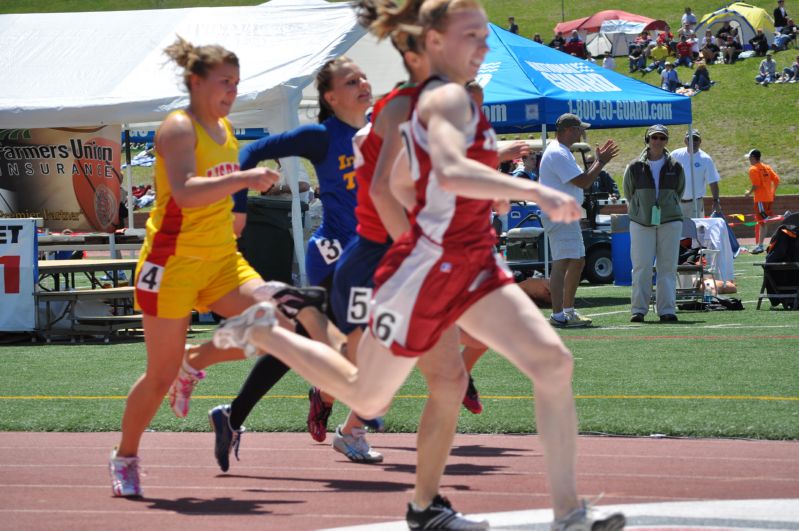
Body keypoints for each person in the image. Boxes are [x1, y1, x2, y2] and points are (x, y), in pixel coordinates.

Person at [211, 1, 627, 529]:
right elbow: (444, 172)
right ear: (432, 44)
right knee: (368, 393)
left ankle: (556, 512)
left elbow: (395, 183)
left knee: (544, 364)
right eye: (473, 35)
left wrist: (477, 197)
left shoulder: (426, 103)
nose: (484, 45)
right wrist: (524, 190)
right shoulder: (435, 100)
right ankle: (279, 333)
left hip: (472, 262)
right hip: (424, 269)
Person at [108, 36, 284, 497]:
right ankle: (125, 455)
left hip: (222, 259)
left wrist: (237, 203)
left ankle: (193, 363)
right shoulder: (179, 128)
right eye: (224, 82)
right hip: (172, 263)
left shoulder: (224, 129)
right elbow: (184, 192)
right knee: (157, 375)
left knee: (275, 322)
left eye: (237, 84)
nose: (231, 92)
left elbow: (216, 195)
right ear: (195, 81)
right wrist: (246, 178)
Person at [202, 56, 384, 467]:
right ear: (331, 97)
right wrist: (239, 207)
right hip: (334, 254)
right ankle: (349, 421)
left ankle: (235, 416)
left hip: (368, 256)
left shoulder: (380, 133)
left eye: (363, 76)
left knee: (298, 345)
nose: (362, 83)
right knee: (363, 341)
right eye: (350, 80)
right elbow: (251, 152)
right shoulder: (321, 137)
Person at [538, 113, 620, 328]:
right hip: (560, 213)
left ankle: (566, 311)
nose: (582, 132)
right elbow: (583, 181)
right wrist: (601, 162)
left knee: (576, 261)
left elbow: (579, 182)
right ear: (568, 130)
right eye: (578, 128)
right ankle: (559, 315)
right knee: (564, 262)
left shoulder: (561, 152)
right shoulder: (558, 153)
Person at [623, 125, 685, 323]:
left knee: (667, 267)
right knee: (642, 267)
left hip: (670, 220)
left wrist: (668, 206)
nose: (657, 141)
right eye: (654, 137)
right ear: (647, 140)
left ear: (666, 141)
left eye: (661, 138)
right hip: (641, 221)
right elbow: (628, 192)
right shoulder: (634, 166)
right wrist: (641, 208)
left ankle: (667, 310)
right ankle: (638, 310)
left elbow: (680, 191)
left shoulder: (676, 166)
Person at [670, 130, 721, 219]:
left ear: (700, 141)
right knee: (676, 232)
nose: (693, 142)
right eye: (690, 139)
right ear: (685, 141)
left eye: (696, 139)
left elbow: (713, 182)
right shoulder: (675, 155)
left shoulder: (706, 159)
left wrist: (716, 201)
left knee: (695, 232)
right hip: (676, 203)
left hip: (695, 204)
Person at [744, 149, 781, 253]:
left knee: (762, 222)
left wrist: (748, 193)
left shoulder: (753, 169)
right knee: (764, 221)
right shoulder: (767, 167)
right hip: (769, 198)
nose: (749, 160)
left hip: (760, 199)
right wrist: (772, 192)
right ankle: (760, 244)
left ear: (753, 158)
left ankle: (760, 246)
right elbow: (777, 179)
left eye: (749, 158)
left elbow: (756, 185)